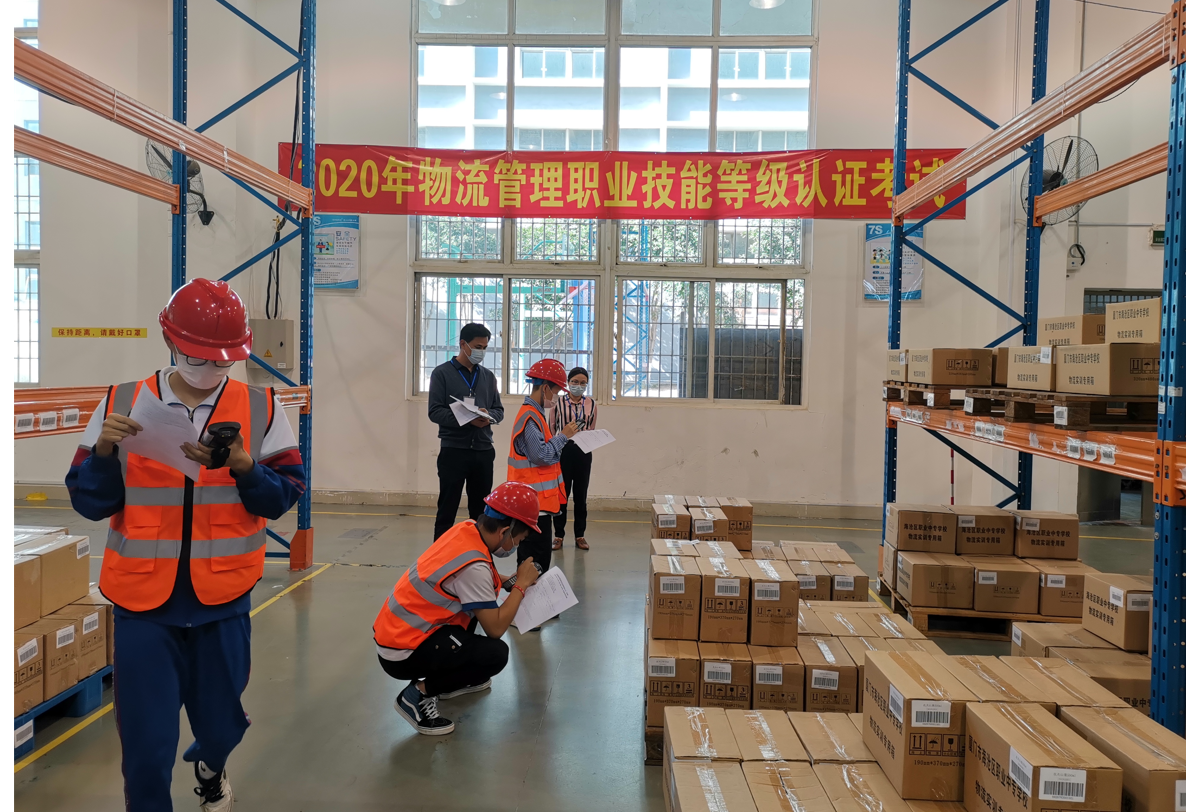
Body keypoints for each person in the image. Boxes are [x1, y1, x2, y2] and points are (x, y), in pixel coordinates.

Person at [65, 279, 306, 812]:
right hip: (142, 606)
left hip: (223, 599)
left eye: (223, 360)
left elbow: (283, 495)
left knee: (222, 726)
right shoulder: (121, 402)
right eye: (199, 357)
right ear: (169, 341)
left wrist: (245, 467)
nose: (211, 368)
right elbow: (90, 503)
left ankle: (211, 764)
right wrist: (103, 452)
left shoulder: (262, 406)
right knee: (145, 746)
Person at [372, 482, 543, 735]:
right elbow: (495, 628)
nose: (518, 544)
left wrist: (507, 581)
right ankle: (416, 696)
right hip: (403, 652)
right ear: (505, 531)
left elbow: (473, 577)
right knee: (495, 654)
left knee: (475, 610)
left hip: (398, 633)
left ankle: (450, 681)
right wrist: (521, 586)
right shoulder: (474, 567)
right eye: (519, 539)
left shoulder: (467, 530)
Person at [427, 323, 505, 540]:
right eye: (478, 347)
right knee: (447, 508)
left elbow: (499, 411)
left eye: (485, 347)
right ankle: (441, 554)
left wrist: (488, 416)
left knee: (481, 512)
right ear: (463, 344)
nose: (482, 352)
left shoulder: (488, 377)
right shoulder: (442, 373)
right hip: (454, 451)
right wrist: (467, 420)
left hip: (483, 450)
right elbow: (435, 412)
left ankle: (478, 553)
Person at [507, 358, 579, 576]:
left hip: (538, 504)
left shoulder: (536, 414)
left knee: (537, 561)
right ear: (546, 388)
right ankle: (526, 596)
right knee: (534, 562)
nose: (556, 397)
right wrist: (563, 437)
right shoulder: (530, 417)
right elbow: (542, 455)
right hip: (532, 506)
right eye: (556, 392)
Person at [552, 367, 597, 551]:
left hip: (583, 451)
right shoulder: (558, 402)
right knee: (562, 495)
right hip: (564, 450)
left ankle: (580, 535)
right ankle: (558, 535)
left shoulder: (591, 404)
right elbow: (552, 427)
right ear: (568, 383)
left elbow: (592, 427)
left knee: (581, 496)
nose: (579, 385)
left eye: (583, 383)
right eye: (575, 382)